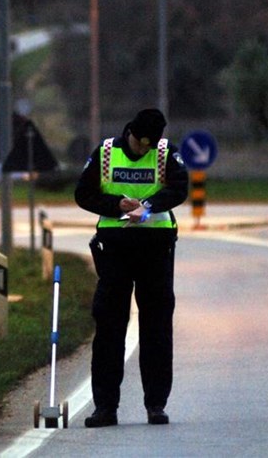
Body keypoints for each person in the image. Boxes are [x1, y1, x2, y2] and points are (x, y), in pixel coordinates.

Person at [74, 108, 188, 427]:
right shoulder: (106, 153)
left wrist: (148, 207)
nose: (145, 151)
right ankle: (105, 407)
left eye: (150, 146)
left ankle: (155, 404)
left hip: (156, 245)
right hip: (115, 247)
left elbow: (179, 189)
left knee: (157, 327)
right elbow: (83, 193)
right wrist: (116, 206)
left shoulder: (165, 153)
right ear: (131, 135)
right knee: (109, 326)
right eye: (140, 145)